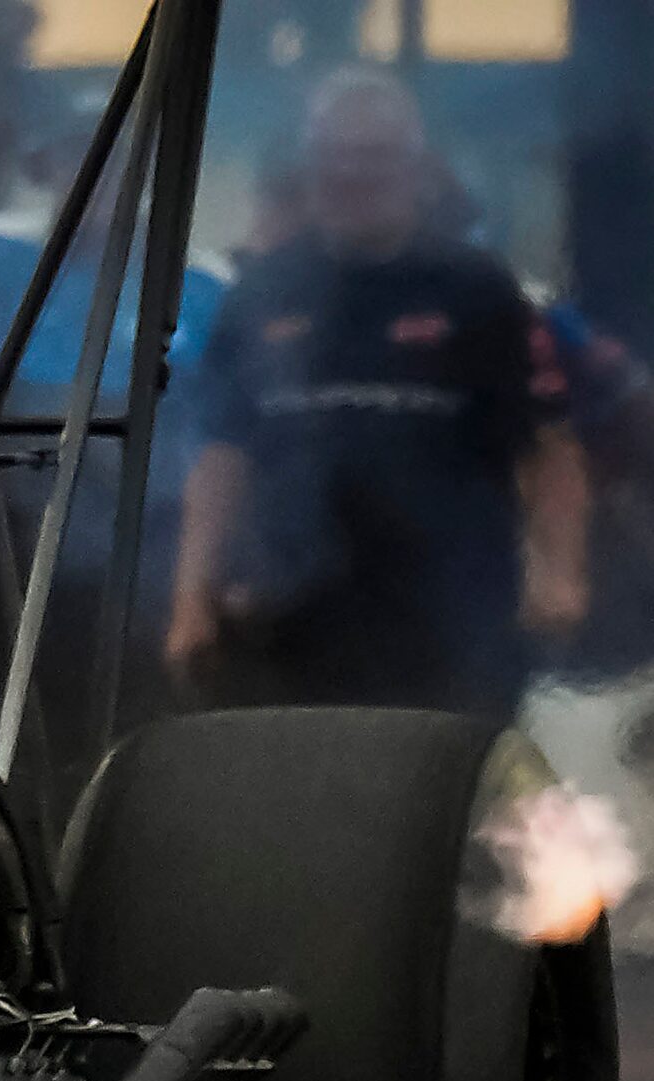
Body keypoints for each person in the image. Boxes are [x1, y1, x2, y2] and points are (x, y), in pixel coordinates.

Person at [167, 68, 589, 715]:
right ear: (308, 167)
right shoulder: (260, 292)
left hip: (453, 620)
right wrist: (190, 598)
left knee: (443, 805)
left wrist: (558, 571)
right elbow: (222, 455)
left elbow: (546, 444)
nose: (351, 174)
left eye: (373, 157)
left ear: (414, 168)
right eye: (333, 155)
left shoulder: (478, 290)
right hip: (290, 617)